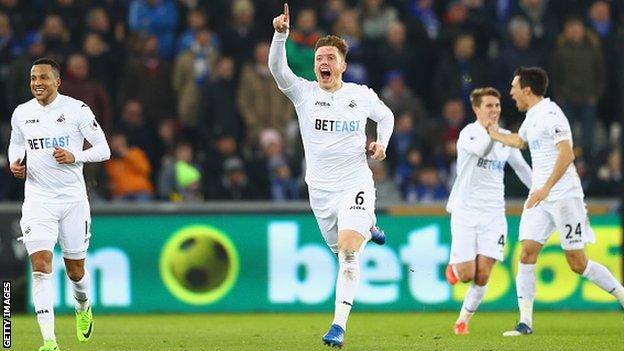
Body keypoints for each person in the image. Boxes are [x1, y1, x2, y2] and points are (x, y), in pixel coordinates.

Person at [269, 4, 392, 348]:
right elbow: (278, 71)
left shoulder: (360, 95)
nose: (323, 63)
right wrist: (281, 35)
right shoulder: (304, 93)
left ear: (342, 65)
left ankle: (338, 326)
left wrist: (382, 144)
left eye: (329, 58)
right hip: (321, 192)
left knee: (349, 254)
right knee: (341, 245)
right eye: (319, 58)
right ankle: (369, 225)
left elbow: (387, 117)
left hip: (355, 182)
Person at [486, 67, 624, 336]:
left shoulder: (551, 114)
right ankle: (525, 322)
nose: (511, 92)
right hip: (540, 198)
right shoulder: (531, 117)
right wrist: (495, 134)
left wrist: (546, 187)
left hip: (564, 197)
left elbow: (567, 153)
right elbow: (521, 141)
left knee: (577, 263)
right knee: (526, 252)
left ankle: (621, 294)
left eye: (514, 87)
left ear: (527, 89)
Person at [7, 58, 110, 351]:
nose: (37, 83)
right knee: (40, 266)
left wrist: (75, 156)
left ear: (57, 82)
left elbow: (104, 149)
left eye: (43, 78)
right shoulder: (22, 113)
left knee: (75, 270)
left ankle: (83, 306)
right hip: (38, 201)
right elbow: (16, 143)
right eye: (33, 78)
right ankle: (49, 341)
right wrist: (16, 161)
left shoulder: (76, 110)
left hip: (73, 201)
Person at [444, 87, 532, 335]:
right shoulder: (468, 134)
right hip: (465, 210)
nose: (494, 110)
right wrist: (493, 133)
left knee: (483, 274)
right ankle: (453, 266)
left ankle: (463, 320)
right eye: (488, 106)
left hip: (494, 214)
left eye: (497, 105)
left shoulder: (503, 136)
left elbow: (522, 169)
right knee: (466, 274)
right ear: (476, 109)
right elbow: (483, 149)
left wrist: (541, 190)